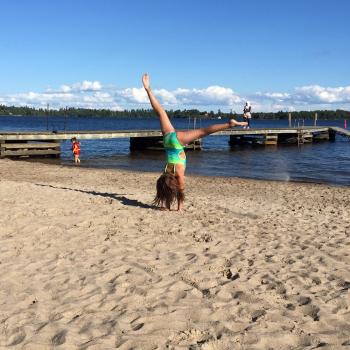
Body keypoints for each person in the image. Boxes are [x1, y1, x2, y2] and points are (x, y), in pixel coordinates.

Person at [142, 73, 247, 211]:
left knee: (204, 131)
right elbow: (168, 187)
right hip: (168, 141)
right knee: (161, 112)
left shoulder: (178, 174)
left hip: (177, 142)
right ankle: (148, 90)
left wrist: (179, 209)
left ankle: (230, 124)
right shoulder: (165, 172)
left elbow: (181, 190)